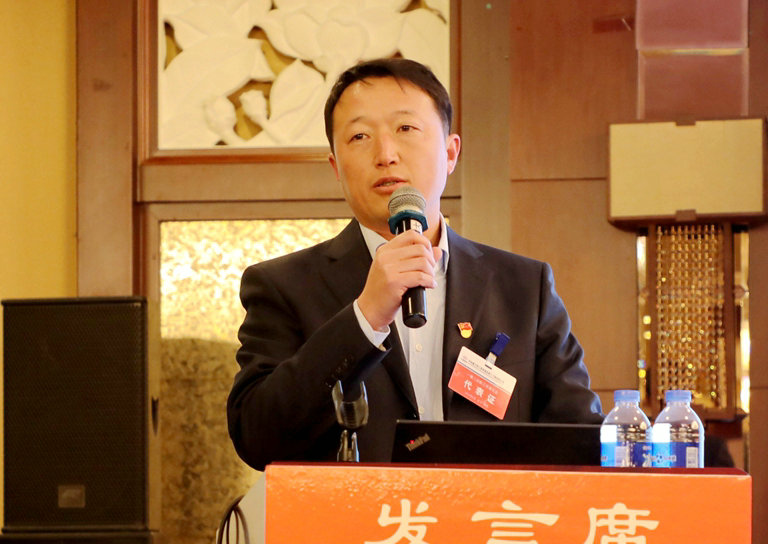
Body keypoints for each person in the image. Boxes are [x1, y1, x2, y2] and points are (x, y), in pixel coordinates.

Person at [227, 58, 604, 470]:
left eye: (406, 128)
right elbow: (257, 439)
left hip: (490, 512)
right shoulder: (283, 286)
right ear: (335, 166)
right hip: (359, 513)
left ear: (450, 152)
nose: (386, 154)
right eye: (359, 136)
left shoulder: (524, 287)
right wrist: (364, 317)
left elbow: (581, 441)